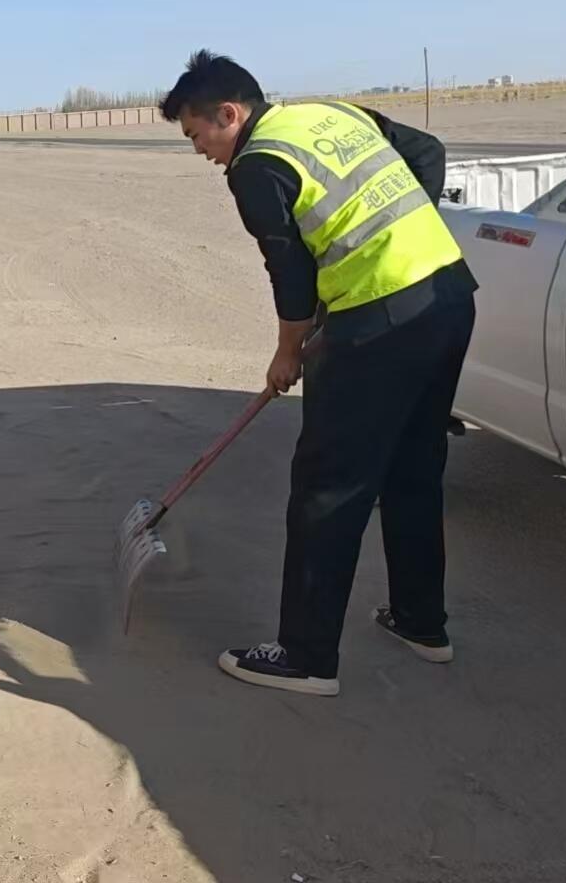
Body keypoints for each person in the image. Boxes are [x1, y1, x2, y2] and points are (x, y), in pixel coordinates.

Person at [160, 50, 477, 698]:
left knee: (326, 487)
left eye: (197, 135)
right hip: (446, 293)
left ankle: (304, 657)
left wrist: (287, 351)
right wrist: (399, 237)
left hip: (378, 322)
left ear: (229, 113)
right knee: (412, 469)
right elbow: (426, 151)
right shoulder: (328, 114)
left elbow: (291, 273)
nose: (199, 150)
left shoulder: (255, 167)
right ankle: (421, 623)